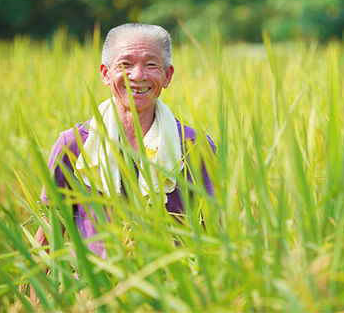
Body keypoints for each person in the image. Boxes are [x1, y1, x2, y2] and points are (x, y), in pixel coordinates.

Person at [38, 23, 216, 257]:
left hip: (175, 287)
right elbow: (48, 237)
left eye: (151, 65)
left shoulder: (194, 147)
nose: (138, 75)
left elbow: (216, 234)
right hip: (94, 289)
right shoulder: (73, 145)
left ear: (167, 75)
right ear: (105, 74)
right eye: (125, 64)